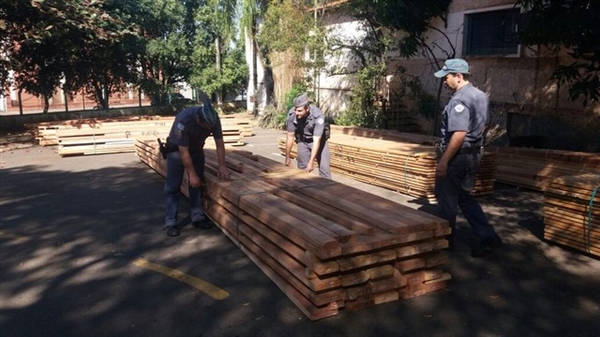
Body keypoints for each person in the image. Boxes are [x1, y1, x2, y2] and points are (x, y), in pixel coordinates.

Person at [433, 58, 502, 257]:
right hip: (474, 154)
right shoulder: (480, 95)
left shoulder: (459, 100)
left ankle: (445, 243)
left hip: (458, 158)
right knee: (465, 198)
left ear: (459, 76)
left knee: (447, 200)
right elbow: (482, 126)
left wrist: (444, 160)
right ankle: (488, 237)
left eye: (446, 77)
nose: (444, 81)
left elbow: (459, 132)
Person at [163, 98, 230, 237]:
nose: (209, 129)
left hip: (196, 151)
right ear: (199, 119)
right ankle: (171, 223)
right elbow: (183, 151)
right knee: (173, 187)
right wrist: (191, 174)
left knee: (197, 185)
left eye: (211, 127)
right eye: (207, 126)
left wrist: (222, 166)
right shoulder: (184, 121)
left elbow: (219, 144)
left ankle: (197, 218)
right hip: (177, 152)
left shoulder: (213, 119)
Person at [284, 92, 332, 179]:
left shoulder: (317, 116)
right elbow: (290, 136)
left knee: (324, 170)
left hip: (319, 142)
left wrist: (311, 161)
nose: (296, 113)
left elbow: (317, 140)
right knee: (302, 171)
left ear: (307, 109)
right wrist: (287, 156)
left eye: (299, 111)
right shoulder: (292, 115)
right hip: (303, 141)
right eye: (295, 110)